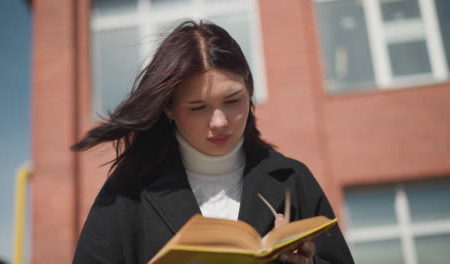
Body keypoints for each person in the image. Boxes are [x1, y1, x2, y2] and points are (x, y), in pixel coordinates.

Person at [71, 20, 355, 264]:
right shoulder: (127, 193)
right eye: (197, 108)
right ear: (168, 108)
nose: (219, 121)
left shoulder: (294, 179)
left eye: (232, 100)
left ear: (250, 91)